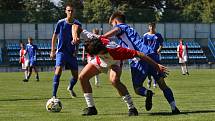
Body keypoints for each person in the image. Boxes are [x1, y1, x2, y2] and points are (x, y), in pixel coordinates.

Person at [103, 11, 180, 114]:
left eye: (112, 24)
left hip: (139, 59)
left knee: (137, 88)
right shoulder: (129, 32)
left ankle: (147, 93)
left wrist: (101, 37)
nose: (112, 27)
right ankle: (174, 108)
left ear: (116, 21)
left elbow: (117, 30)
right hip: (152, 56)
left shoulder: (121, 28)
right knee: (162, 84)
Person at [49, 3, 82, 99]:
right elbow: (54, 36)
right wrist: (52, 50)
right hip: (61, 52)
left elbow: (78, 38)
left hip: (71, 53)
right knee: (58, 70)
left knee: (76, 76)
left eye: (72, 10)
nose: (70, 12)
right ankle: (54, 95)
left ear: (74, 12)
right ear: (65, 11)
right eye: (69, 10)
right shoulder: (60, 23)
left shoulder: (78, 24)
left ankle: (70, 88)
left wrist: (76, 50)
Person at [143, 22, 164, 88]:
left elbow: (161, 44)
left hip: (155, 55)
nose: (152, 28)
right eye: (150, 26)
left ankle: (155, 82)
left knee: (157, 68)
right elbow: (144, 45)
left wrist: (159, 49)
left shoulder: (158, 35)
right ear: (149, 27)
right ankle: (149, 79)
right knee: (148, 69)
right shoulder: (145, 35)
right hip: (148, 55)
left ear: (155, 27)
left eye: (153, 26)